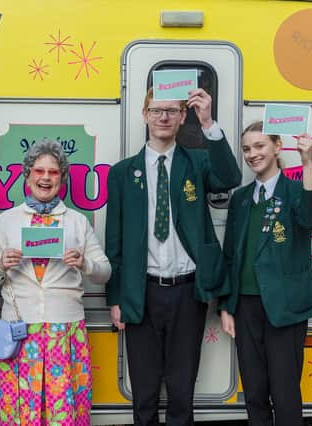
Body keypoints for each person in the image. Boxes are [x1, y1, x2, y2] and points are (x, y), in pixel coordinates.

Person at [105, 87, 242, 425]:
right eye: (155, 110)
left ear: (183, 117)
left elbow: (230, 177)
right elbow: (115, 240)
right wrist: (115, 297)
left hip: (187, 292)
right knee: (145, 391)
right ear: (144, 115)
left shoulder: (197, 162)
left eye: (171, 111)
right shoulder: (123, 172)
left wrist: (208, 122)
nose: (162, 117)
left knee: (181, 391)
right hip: (142, 293)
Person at [0, 139, 111, 425]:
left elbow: (104, 271)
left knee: (64, 412)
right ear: (28, 177)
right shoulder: (7, 221)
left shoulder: (77, 221)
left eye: (53, 172)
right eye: (39, 171)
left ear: (62, 179)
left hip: (65, 332)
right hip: (19, 331)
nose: (45, 177)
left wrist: (84, 263)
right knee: (21, 412)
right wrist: (1, 265)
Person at [219, 122, 312, 426]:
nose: (253, 154)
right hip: (246, 307)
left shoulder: (295, 190)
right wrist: (227, 305)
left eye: (260, 146)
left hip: (285, 307)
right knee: (254, 391)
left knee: (285, 392)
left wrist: (307, 163)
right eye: (247, 149)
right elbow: (230, 256)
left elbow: (311, 218)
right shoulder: (240, 198)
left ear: (277, 147)